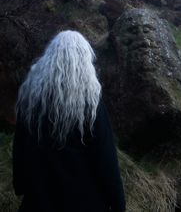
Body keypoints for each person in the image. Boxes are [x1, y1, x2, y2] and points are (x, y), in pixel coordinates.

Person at [12, 30, 126, 212]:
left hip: (38, 202)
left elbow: (20, 147)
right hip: (85, 203)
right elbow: (106, 162)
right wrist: (118, 204)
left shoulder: (30, 101)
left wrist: (20, 184)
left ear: (50, 58)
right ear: (84, 62)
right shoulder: (91, 105)